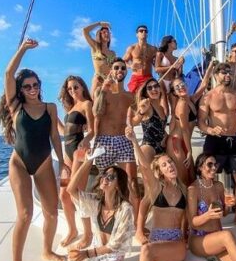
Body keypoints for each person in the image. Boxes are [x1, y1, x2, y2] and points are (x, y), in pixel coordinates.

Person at [0, 39, 67, 261]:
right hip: (20, 163)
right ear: (20, 89)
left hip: (44, 162)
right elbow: (8, 73)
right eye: (27, 86)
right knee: (25, 214)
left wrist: (63, 162)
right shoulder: (16, 107)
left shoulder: (51, 108)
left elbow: (55, 136)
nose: (32, 88)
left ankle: (46, 250)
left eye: (35, 85)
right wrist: (22, 48)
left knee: (52, 212)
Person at [39, 152, 135, 261]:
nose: (105, 179)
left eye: (111, 177)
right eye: (104, 175)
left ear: (118, 185)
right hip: (94, 259)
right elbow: (71, 189)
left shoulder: (125, 209)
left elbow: (114, 246)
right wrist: (87, 161)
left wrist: (85, 253)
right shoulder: (96, 203)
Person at [126, 127, 202, 261]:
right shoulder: (156, 188)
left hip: (175, 246)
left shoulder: (185, 190)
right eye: (164, 164)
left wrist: (189, 239)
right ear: (160, 171)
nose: (170, 166)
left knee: (146, 250)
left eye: (171, 162)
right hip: (157, 245)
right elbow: (145, 166)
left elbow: (189, 220)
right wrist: (134, 141)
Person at [197, 62, 236, 225]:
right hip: (214, 141)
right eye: (224, 72)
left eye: (229, 73)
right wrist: (210, 130)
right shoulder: (208, 96)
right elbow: (201, 122)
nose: (227, 75)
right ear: (216, 75)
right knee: (208, 176)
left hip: (232, 140)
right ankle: (212, 210)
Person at [92, 59, 139, 222]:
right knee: (105, 184)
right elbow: (96, 113)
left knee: (130, 181)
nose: (120, 70)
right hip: (104, 141)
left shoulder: (130, 96)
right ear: (111, 71)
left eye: (123, 68)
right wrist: (103, 91)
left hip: (123, 140)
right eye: (116, 67)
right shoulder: (102, 91)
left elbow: (136, 118)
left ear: (126, 72)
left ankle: (134, 224)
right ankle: (107, 220)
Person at [57, 75, 95, 249]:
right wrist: (54, 119)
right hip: (67, 153)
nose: (73, 91)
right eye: (70, 88)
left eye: (76, 87)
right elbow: (66, 132)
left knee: (77, 193)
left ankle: (88, 234)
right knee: (64, 194)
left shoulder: (87, 104)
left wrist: (87, 140)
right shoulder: (71, 108)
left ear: (82, 87)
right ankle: (73, 230)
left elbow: (93, 130)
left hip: (79, 152)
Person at [166, 60, 214, 185]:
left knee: (191, 177)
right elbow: (185, 130)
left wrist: (209, 67)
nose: (181, 87)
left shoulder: (191, 99)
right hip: (177, 143)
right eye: (177, 87)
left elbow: (203, 84)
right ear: (174, 93)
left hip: (184, 142)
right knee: (183, 180)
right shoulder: (182, 106)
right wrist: (190, 151)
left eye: (182, 84)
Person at [129, 78, 169, 163]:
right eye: (149, 88)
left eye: (156, 86)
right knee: (149, 175)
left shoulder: (161, 108)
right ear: (146, 92)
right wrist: (142, 112)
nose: (153, 89)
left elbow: (160, 128)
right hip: (148, 148)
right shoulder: (147, 106)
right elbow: (133, 122)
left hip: (162, 147)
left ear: (160, 88)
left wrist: (166, 137)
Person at [82, 21, 117, 94]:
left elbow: (113, 68)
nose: (107, 34)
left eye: (108, 32)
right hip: (98, 79)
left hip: (110, 81)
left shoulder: (112, 53)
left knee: (116, 102)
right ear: (99, 34)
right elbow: (85, 31)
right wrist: (99, 24)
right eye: (104, 32)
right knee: (95, 103)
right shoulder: (95, 47)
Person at [123, 25, 158, 93]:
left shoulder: (153, 49)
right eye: (141, 31)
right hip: (136, 77)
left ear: (147, 34)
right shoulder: (132, 48)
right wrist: (130, 66)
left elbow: (157, 63)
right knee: (134, 99)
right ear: (137, 34)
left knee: (151, 98)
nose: (143, 32)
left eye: (145, 31)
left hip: (148, 77)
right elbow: (123, 61)